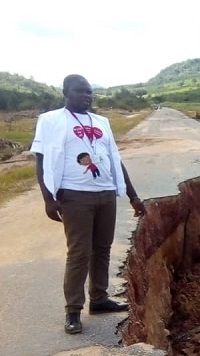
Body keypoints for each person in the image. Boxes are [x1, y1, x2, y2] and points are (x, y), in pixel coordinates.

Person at [31, 74, 146, 335]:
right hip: (74, 195)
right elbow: (41, 159)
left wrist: (133, 195)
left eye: (89, 91)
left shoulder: (102, 122)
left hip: (105, 192)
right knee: (79, 252)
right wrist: (48, 198)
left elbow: (115, 159)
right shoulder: (50, 120)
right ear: (66, 93)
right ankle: (73, 310)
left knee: (102, 248)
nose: (87, 96)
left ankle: (99, 299)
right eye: (80, 91)